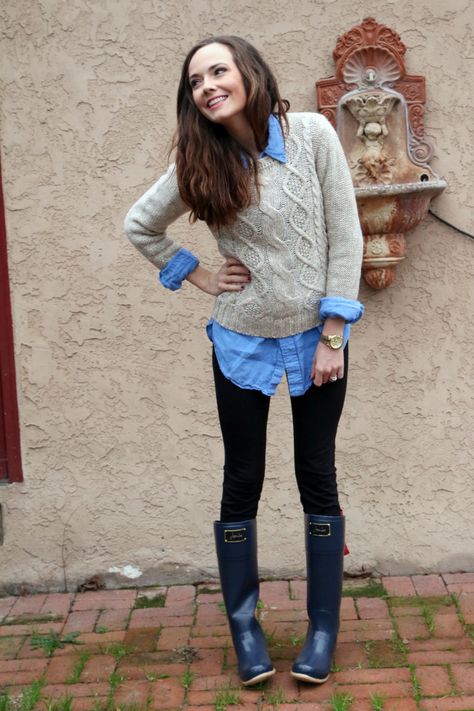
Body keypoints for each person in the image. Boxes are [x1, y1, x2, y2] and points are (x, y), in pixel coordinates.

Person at [124, 35, 364, 687]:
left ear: (249, 73)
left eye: (218, 71)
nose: (208, 86)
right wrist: (197, 275)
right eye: (196, 80)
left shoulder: (311, 134)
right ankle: (247, 632)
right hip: (241, 340)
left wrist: (334, 333)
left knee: (317, 474)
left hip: (318, 336)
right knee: (243, 477)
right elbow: (139, 225)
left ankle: (320, 632)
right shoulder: (197, 161)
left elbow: (347, 231)